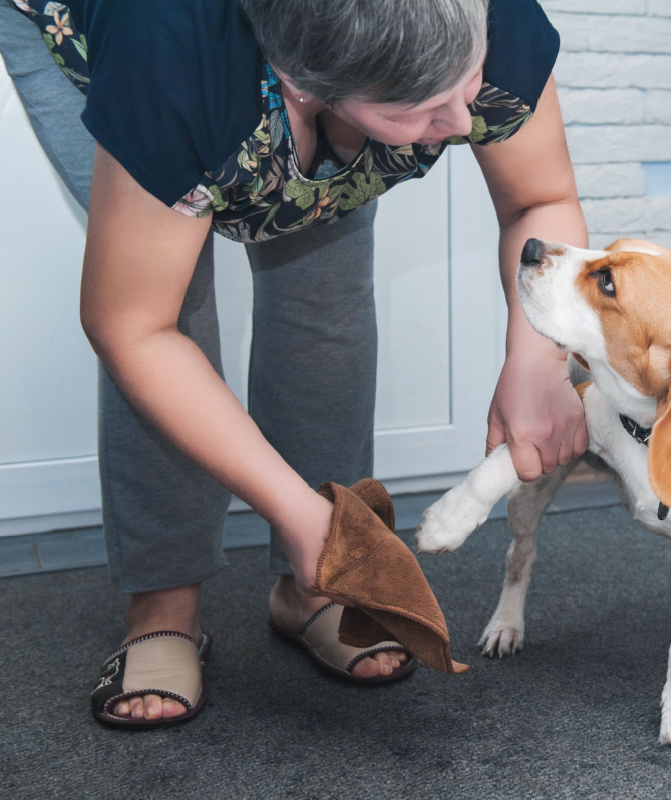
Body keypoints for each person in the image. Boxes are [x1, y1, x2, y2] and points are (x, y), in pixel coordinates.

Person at [0, 0, 588, 726]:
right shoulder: (173, 55)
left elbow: (540, 196)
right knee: (169, 299)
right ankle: (164, 602)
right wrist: (287, 502)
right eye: (426, 108)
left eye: (464, 83)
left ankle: (309, 587)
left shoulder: (490, 24)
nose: (465, 125)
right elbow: (133, 328)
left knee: (327, 281)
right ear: (306, 85)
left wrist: (538, 358)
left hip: (293, 69)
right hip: (107, 31)